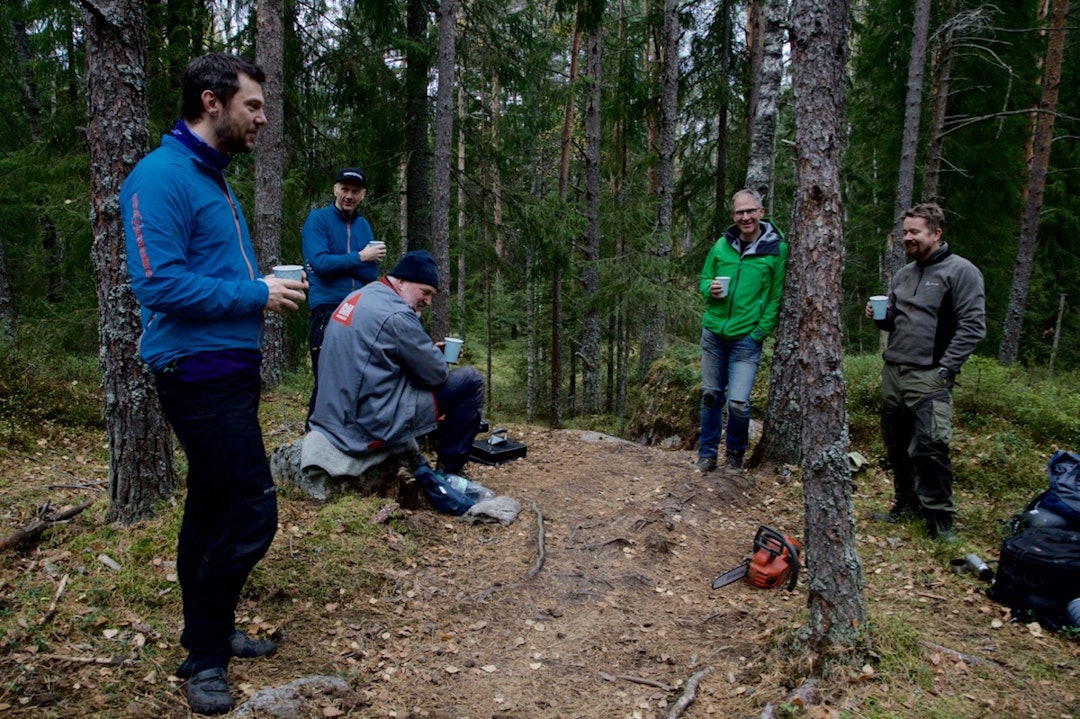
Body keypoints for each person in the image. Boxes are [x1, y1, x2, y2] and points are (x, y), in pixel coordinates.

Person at [120, 53, 306, 715]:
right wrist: (253, 292)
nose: (261, 118)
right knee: (254, 509)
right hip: (194, 376)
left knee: (208, 507)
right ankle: (204, 657)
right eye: (252, 105)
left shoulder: (213, 178)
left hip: (229, 373)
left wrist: (254, 292)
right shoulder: (159, 176)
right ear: (210, 101)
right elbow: (157, 284)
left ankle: (209, 626)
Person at [867, 202, 985, 543]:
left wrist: (946, 370)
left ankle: (939, 519)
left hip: (929, 375)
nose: (908, 238)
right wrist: (880, 317)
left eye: (915, 232)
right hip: (895, 370)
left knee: (932, 447)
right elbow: (896, 321)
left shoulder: (960, 272)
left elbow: (973, 326)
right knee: (896, 445)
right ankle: (905, 504)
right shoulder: (904, 274)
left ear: (936, 233)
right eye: (905, 232)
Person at [308, 250, 484, 477]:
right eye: (425, 292)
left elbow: (379, 350)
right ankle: (449, 474)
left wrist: (425, 351)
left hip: (333, 417)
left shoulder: (361, 295)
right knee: (470, 381)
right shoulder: (398, 315)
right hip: (365, 426)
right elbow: (437, 374)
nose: (429, 301)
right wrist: (436, 356)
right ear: (401, 283)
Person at [695, 188, 788, 472]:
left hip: (746, 339)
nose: (745, 217)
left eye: (750, 211)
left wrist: (760, 332)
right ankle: (707, 454)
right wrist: (708, 289)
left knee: (738, 402)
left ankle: (735, 455)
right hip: (713, 333)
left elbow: (776, 296)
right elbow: (703, 280)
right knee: (711, 395)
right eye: (739, 212)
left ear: (761, 211)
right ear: (733, 215)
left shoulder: (777, 248)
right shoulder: (721, 245)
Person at [301, 168, 386, 419]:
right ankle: (313, 439)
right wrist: (360, 257)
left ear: (363, 194)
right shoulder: (318, 220)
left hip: (359, 307)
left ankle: (348, 437)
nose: (349, 195)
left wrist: (337, 263)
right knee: (326, 376)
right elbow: (321, 264)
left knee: (358, 376)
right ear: (335, 190)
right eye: (345, 189)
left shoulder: (363, 225)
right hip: (327, 307)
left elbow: (371, 274)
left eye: (355, 191)